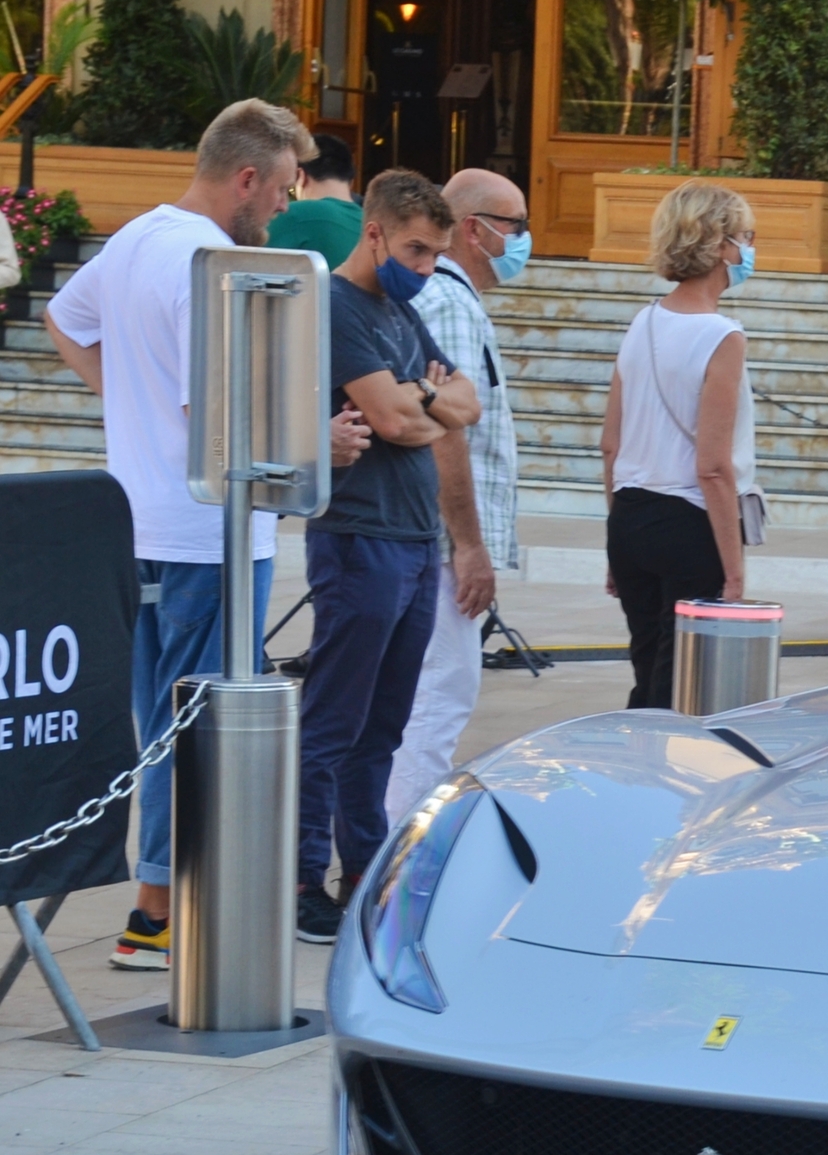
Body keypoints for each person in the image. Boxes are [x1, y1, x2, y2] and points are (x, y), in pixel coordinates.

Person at [43, 99, 323, 969]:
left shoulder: (136, 239)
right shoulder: (208, 263)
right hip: (211, 531)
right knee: (193, 723)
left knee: (157, 715)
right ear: (245, 177)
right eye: (279, 191)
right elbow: (225, 414)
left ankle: (164, 900)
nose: (282, 208)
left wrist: (127, 399)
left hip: (139, 522)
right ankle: (159, 910)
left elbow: (63, 319)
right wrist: (326, 447)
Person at [297, 169, 480, 942]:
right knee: (334, 719)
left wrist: (421, 398)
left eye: (438, 253)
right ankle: (303, 879)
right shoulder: (337, 307)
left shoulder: (400, 312)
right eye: (415, 249)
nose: (426, 266)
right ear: (373, 233)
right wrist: (422, 400)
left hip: (412, 541)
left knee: (385, 726)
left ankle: (362, 872)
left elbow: (466, 403)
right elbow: (397, 422)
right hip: (359, 536)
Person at [384, 169, 530, 823]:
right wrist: (469, 546)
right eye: (516, 226)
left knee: (430, 697)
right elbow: (446, 430)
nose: (525, 241)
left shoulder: (451, 299)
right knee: (436, 700)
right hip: (442, 545)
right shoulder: (448, 301)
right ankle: (397, 859)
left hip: (436, 540)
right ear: (476, 230)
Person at [603, 180, 758, 709]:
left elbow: (610, 443)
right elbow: (713, 467)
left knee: (648, 668)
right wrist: (734, 571)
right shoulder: (722, 335)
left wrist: (614, 534)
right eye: (744, 237)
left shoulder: (642, 322)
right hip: (688, 524)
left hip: (629, 516)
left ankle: (633, 770)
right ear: (719, 245)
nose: (748, 250)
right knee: (683, 688)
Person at [266, 133, 363, 268]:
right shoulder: (373, 225)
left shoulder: (294, 214)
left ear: (300, 176)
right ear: (351, 182)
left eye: (289, 189)